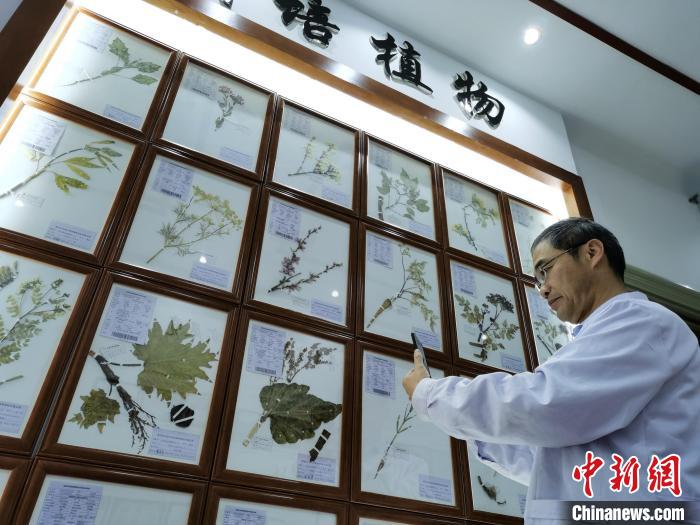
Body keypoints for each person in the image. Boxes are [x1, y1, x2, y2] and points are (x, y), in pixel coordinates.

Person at [402, 218, 700, 523]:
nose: (543, 290)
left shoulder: (642, 322)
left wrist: (430, 394)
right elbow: (545, 458)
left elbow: (545, 402)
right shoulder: (606, 337)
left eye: (545, 270)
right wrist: (467, 425)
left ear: (592, 252)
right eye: (537, 280)